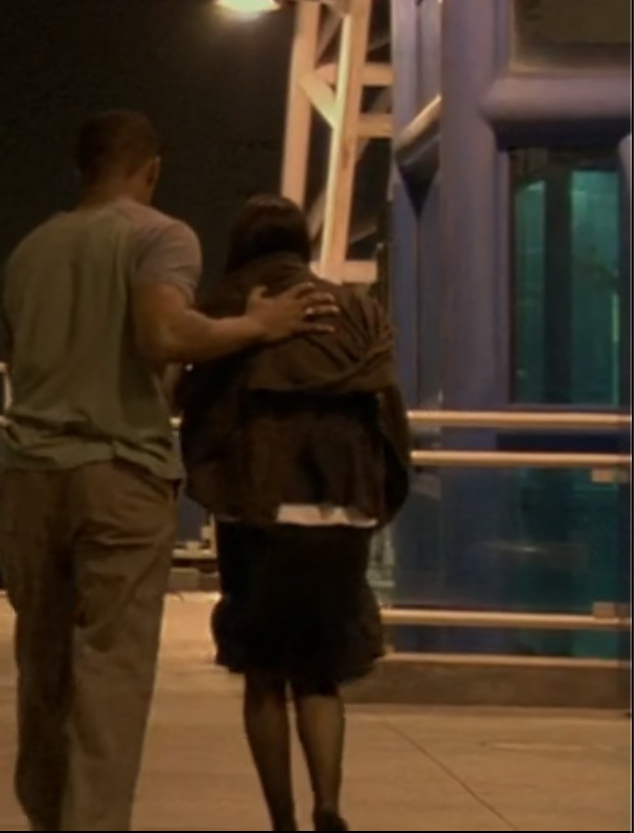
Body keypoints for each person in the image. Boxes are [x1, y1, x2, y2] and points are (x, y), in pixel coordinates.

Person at [0, 111, 335, 832]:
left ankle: (47, 821)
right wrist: (257, 326)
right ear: (151, 169)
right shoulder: (160, 235)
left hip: (27, 479)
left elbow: (24, 362)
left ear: (81, 168)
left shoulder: (30, 250)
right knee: (111, 676)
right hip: (119, 475)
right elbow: (162, 333)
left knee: (42, 672)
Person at [176, 195, 413, 833]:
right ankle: (327, 806)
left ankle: (281, 821)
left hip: (261, 514)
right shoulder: (357, 311)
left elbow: (196, 407)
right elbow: (390, 423)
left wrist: (213, 487)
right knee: (319, 676)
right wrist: (374, 502)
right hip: (342, 511)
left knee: (263, 677)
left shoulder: (233, 309)